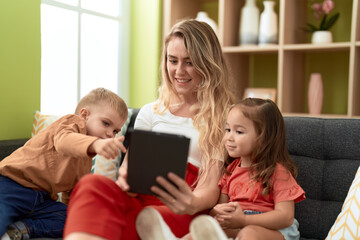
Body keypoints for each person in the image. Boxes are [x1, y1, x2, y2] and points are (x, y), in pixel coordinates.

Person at [63, 19, 235, 240]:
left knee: (144, 218)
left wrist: (191, 203)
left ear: (207, 63)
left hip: (184, 208)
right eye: (172, 60)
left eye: (189, 62)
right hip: (141, 200)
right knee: (90, 184)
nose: (179, 71)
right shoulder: (151, 112)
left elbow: (211, 187)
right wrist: (125, 179)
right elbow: (129, 168)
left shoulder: (224, 116)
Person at [0, 87, 128, 240]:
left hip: (42, 200)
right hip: (12, 185)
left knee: (73, 220)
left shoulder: (86, 159)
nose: (110, 134)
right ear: (85, 115)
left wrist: (76, 210)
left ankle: (21, 229)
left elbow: (74, 191)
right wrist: (94, 144)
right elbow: (64, 142)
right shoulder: (71, 123)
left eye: (115, 131)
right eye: (106, 123)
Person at [188, 98, 306, 240]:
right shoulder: (230, 171)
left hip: (275, 232)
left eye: (239, 132)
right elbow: (221, 209)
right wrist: (216, 212)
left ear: (263, 138)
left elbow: (285, 217)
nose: (229, 137)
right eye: (228, 129)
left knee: (249, 234)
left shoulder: (278, 172)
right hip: (240, 227)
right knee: (199, 233)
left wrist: (244, 220)